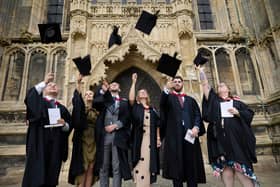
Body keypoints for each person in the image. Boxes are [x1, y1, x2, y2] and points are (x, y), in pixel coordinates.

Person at [198, 66, 258, 187]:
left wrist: (238, 112)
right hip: (220, 142)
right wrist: (201, 71)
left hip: (237, 143)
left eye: (223, 85)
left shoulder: (237, 103)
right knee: (226, 171)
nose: (220, 86)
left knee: (242, 172)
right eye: (218, 85)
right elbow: (205, 85)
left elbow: (249, 114)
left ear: (228, 89)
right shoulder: (214, 100)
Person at [22, 72, 71, 187]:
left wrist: (64, 125)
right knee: (37, 176)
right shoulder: (39, 103)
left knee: (51, 177)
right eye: (50, 85)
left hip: (55, 146)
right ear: (44, 90)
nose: (53, 86)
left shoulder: (62, 108)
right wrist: (45, 82)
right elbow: (30, 97)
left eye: (55, 85)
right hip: (39, 144)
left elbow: (69, 126)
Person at [160, 76, 206, 187]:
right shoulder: (169, 98)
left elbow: (197, 115)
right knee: (176, 165)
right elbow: (162, 103)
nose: (177, 83)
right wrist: (166, 87)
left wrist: (196, 127)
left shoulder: (191, 100)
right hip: (174, 137)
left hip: (190, 136)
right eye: (175, 82)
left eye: (179, 81)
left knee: (191, 164)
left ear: (183, 83)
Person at [93, 80, 132, 187]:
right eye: (112, 84)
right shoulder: (103, 100)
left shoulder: (124, 102)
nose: (114, 84)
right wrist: (103, 91)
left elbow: (127, 118)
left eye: (116, 84)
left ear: (119, 88)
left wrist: (115, 126)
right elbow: (95, 103)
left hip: (118, 136)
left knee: (116, 166)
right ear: (109, 88)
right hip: (104, 136)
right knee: (103, 165)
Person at [129, 73, 161, 187]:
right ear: (138, 96)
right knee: (139, 161)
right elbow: (131, 98)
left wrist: (158, 138)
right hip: (139, 139)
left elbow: (158, 124)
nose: (142, 92)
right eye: (140, 92)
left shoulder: (153, 109)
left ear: (147, 95)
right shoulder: (136, 107)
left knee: (149, 163)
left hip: (150, 139)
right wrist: (133, 82)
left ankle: (148, 184)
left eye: (144, 91)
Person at [68, 74, 98, 187]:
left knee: (91, 167)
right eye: (87, 94)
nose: (89, 95)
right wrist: (79, 83)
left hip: (94, 140)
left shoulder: (97, 111)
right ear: (84, 97)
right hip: (83, 140)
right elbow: (77, 100)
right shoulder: (80, 110)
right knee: (83, 167)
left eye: (91, 94)